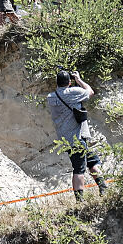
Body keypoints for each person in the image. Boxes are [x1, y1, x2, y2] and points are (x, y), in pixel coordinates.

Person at [47, 70, 108, 202]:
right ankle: (79, 200)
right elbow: (90, 91)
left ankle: (103, 188)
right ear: (69, 82)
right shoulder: (73, 92)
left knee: (92, 161)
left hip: (66, 138)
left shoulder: (51, 97)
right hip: (77, 137)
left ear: (56, 83)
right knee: (79, 168)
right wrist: (78, 79)